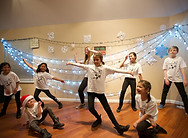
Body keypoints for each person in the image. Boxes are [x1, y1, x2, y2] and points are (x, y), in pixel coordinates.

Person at [67, 53, 132, 135]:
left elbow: (116, 70)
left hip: (100, 92)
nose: (95, 61)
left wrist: (127, 72)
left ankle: (118, 127)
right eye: (94, 60)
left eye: (97, 60)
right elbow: (81, 66)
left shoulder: (105, 68)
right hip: (91, 91)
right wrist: (71, 63)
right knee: (91, 108)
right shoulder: (90, 67)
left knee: (108, 109)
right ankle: (98, 118)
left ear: (101, 60)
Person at [158, 46, 188, 114]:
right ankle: (162, 103)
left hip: (178, 78)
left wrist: (185, 79)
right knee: (165, 92)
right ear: (169, 52)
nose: (172, 51)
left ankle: (187, 108)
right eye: (171, 50)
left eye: (174, 50)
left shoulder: (179, 59)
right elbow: (165, 70)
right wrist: (166, 79)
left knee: (183, 94)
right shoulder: (167, 60)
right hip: (168, 78)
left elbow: (182, 69)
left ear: (177, 52)